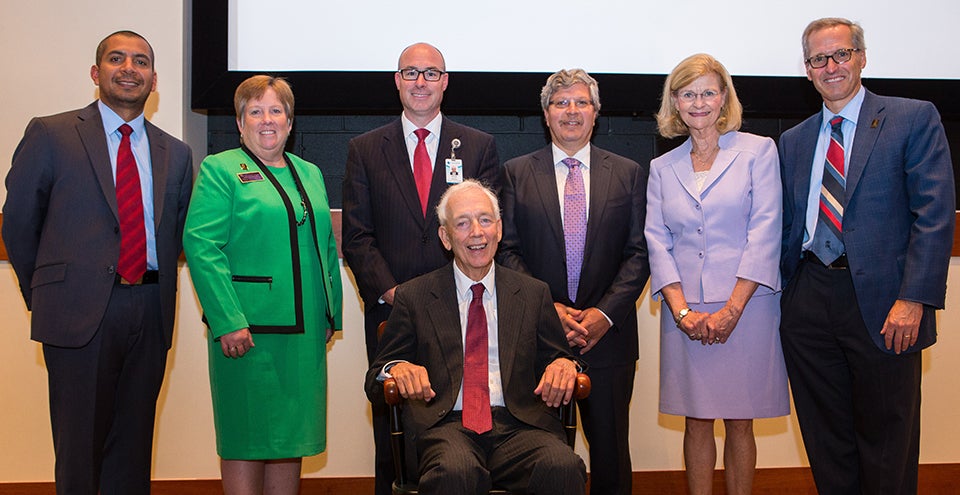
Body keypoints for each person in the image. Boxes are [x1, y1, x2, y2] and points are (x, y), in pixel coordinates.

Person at [2, 30, 193, 494]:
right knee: (80, 451)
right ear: (96, 73)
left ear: (154, 81)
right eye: (117, 58)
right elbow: (19, 224)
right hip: (76, 313)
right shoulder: (51, 133)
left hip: (149, 312)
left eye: (141, 61)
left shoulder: (179, 153)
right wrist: (47, 295)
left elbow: (175, 235)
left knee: (132, 449)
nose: (130, 68)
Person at [779, 18, 955, 494]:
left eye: (840, 54)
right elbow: (788, 227)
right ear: (807, 69)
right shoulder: (793, 140)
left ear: (861, 57)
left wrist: (913, 299)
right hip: (809, 302)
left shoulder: (912, 118)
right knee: (825, 438)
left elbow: (935, 216)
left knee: (888, 442)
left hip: (885, 305)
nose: (831, 66)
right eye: (819, 59)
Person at [342, 41, 500, 495]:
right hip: (393, 312)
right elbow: (357, 235)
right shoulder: (365, 148)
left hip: (462, 309)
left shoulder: (477, 145)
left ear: (445, 82)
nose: (420, 82)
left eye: (431, 73)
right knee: (391, 429)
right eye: (410, 72)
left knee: (461, 423)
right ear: (396, 81)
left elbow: (482, 233)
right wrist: (397, 294)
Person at [365, 180, 586, 495]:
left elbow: (559, 356)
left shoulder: (533, 294)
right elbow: (376, 378)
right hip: (447, 428)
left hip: (519, 426)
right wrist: (396, 367)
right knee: (456, 472)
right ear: (445, 236)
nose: (477, 233)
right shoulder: (415, 296)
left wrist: (565, 364)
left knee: (562, 466)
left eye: (485, 220)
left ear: (498, 228)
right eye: (463, 224)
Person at [183, 75, 343, 495]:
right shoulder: (220, 169)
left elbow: (325, 244)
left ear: (290, 122)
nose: (266, 120)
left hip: (305, 334)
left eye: (276, 111)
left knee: (291, 439)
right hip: (246, 332)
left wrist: (331, 311)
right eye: (255, 111)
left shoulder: (309, 172)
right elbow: (201, 245)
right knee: (246, 436)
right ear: (240, 123)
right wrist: (227, 320)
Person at [498, 68, 649, 495]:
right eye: (561, 103)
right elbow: (507, 251)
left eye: (581, 102)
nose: (571, 111)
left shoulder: (628, 173)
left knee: (611, 455)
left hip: (609, 340)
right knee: (543, 456)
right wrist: (550, 311)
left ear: (596, 113)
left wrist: (603, 314)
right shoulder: (515, 173)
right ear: (546, 114)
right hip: (538, 336)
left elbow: (639, 253)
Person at [645, 54, 789, 495]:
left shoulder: (758, 150)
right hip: (684, 309)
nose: (699, 102)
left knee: (741, 420)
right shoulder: (661, 167)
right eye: (688, 93)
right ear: (675, 102)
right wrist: (682, 311)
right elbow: (657, 240)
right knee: (696, 417)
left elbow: (765, 230)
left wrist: (732, 308)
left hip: (746, 307)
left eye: (708, 91)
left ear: (724, 97)